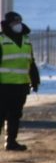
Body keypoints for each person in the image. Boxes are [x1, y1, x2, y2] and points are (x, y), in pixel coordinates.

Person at [0, 11, 41, 151]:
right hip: (3, 85)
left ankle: (11, 141)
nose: (18, 25)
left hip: (20, 85)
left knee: (15, 114)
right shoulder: (2, 40)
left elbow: (30, 62)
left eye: (19, 21)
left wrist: (35, 80)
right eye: (15, 22)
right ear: (8, 24)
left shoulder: (26, 40)